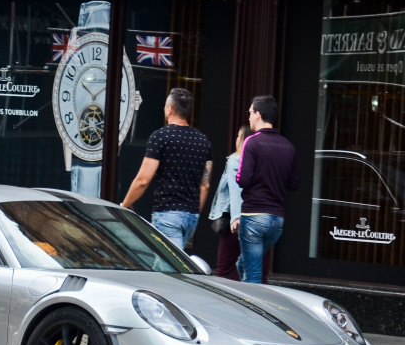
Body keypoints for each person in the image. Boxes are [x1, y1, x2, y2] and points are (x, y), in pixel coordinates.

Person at [120, 87, 212, 251]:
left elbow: (143, 180)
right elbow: (205, 185)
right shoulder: (203, 141)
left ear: (169, 109)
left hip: (168, 213)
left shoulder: (161, 137)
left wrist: (125, 204)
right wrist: (194, 213)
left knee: (171, 271)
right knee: (165, 265)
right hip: (191, 216)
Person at [237, 95, 298, 283]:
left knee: (253, 274)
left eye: (249, 113)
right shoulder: (288, 146)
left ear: (258, 114)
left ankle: (250, 311)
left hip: (254, 215)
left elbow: (242, 178)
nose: (248, 117)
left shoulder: (252, 142)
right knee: (243, 264)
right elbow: (294, 183)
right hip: (276, 220)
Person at [207, 125, 251, 279]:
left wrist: (236, 217)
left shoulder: (234, 160)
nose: (236, 139)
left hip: (233, 220)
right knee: (248, 267)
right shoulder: (254, 162)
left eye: (240, 136)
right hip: (252, 217)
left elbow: (235, 190)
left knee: (224, 268)